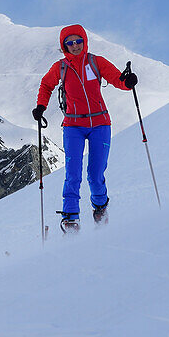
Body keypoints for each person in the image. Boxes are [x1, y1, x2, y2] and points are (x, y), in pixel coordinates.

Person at [32, 24, 138, 232]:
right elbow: (46, 84)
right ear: (64, 46)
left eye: (78, 41)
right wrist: (40, 106)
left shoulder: (95, 62)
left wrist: (128, 83)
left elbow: (117, 79)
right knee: (73, 174)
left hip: (100, 124)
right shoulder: (60, 67)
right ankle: (71, 217)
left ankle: (100, 207)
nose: (75, 45)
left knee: (95, 173)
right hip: (73, 126)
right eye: (70, 43)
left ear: (84, 41)